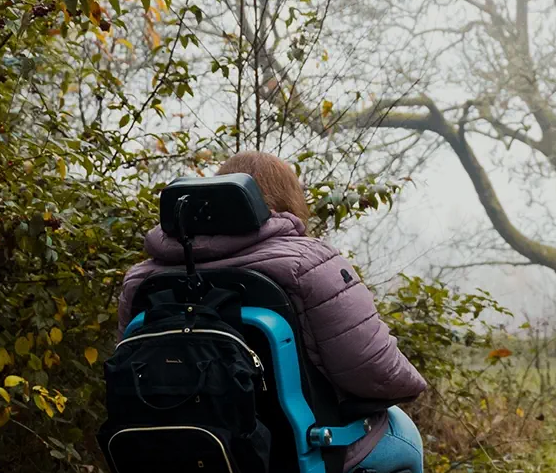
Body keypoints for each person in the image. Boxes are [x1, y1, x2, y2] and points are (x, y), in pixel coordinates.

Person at [117, 153, 427, 405]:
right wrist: (411, 385)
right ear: (288, 199)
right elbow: (373, 370)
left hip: (166, 453)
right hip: (294, 459)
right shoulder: (310, 265)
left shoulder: (142, 278)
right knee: (403, 437)